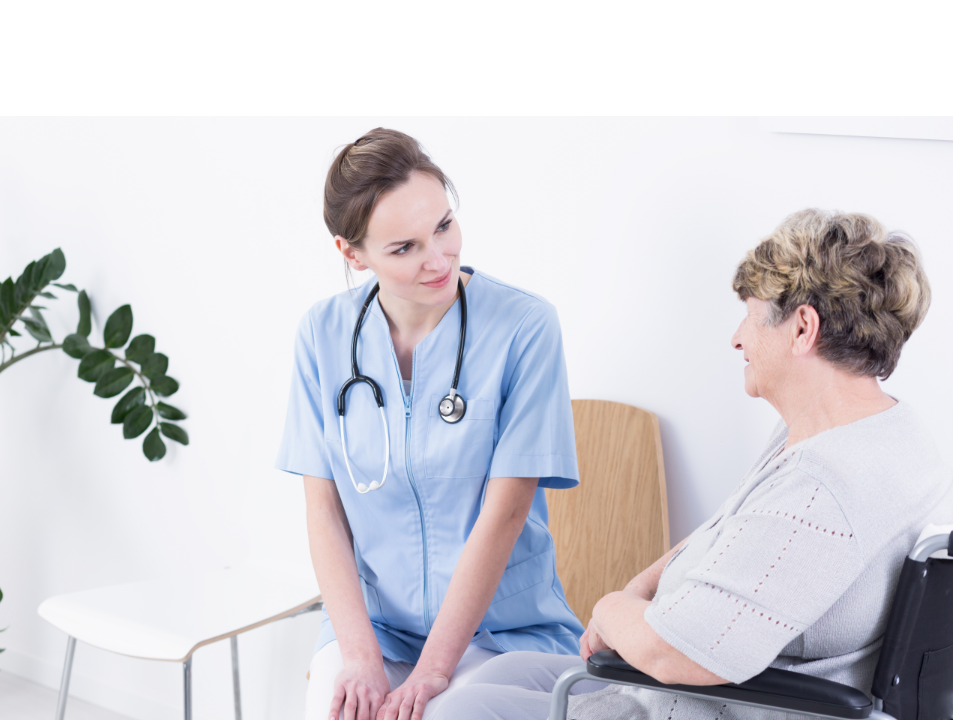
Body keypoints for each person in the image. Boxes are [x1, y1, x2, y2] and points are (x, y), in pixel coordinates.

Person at [430, 209, 953, 720]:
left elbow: (673, 654)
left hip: (705, 702)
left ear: (801, 328)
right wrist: (638, 589)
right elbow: (730, 527)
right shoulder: (879, 430)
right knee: (508, 669)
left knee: (461, 708)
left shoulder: (821, 488)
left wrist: (610, 609)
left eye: (751, 315)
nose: (737, 338)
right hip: (712, 682)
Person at [277, 129, 585, 720]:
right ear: (352, 254)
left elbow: (505, 513)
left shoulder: (524, 327)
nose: (439, 259)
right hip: (377, 629)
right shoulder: (322, 335)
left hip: (500, 632)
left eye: (444, 226)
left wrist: (432, 671)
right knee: (332, 706)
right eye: (405, 248)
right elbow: (324, 510)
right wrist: (359, 655)